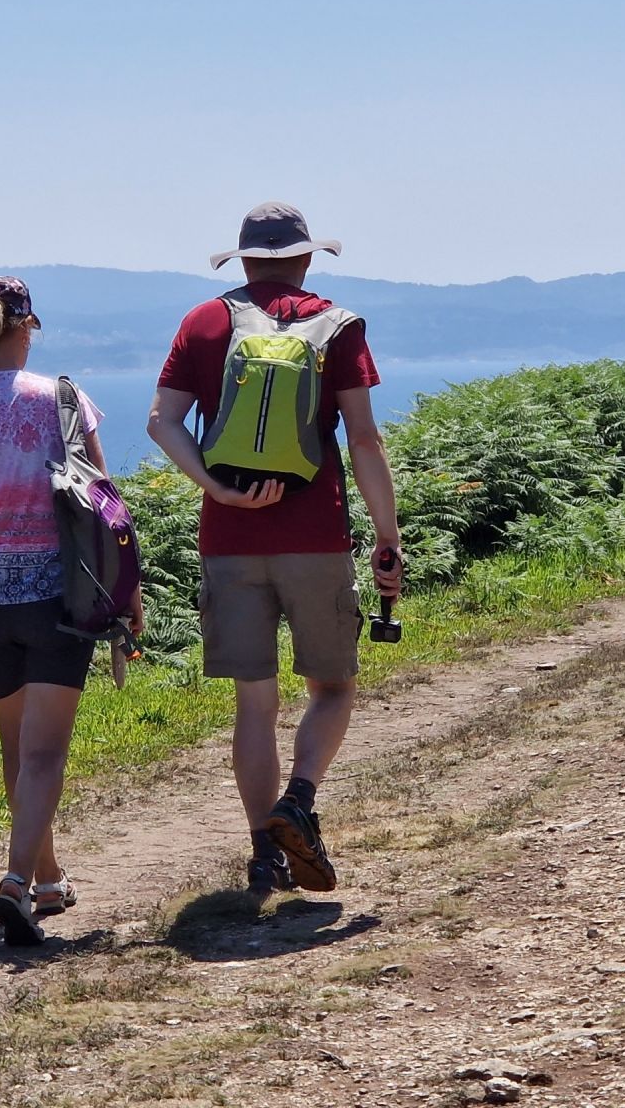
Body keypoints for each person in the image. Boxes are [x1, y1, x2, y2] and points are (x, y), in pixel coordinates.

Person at [146, 202, 403, 899]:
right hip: (315, 535)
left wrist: (216, 490)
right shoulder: (338, 325)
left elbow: (162, 422)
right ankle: (299, 798)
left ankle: (265, 854)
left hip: (229, 540)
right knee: (333, 686)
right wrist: (387, 535)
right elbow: (365, 441)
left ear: (244, 259)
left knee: (254, 705)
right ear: (307, 257)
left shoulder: (203, 322)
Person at [0, 276, 143, 946]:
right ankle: (15, 885)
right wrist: (129, 592)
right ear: (26, 327)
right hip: (55, 596)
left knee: (17, 748)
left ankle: (49, 878)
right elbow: (106, 507)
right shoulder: (63, 401)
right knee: (44, 755)